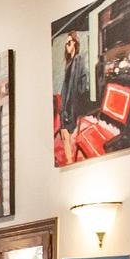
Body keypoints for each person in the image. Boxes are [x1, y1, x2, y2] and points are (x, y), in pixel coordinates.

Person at [58, 30, 95, 165]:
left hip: (72, 102)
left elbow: (82, 79)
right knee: (64, 132)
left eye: (69, 43)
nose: (67, 46)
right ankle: (69, 161)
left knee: (66, 131)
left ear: (75, 43)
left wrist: (80, 90)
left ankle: (69, 161)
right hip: (67, 102)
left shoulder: (78, 60)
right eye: (66, 44)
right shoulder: (70, 62)